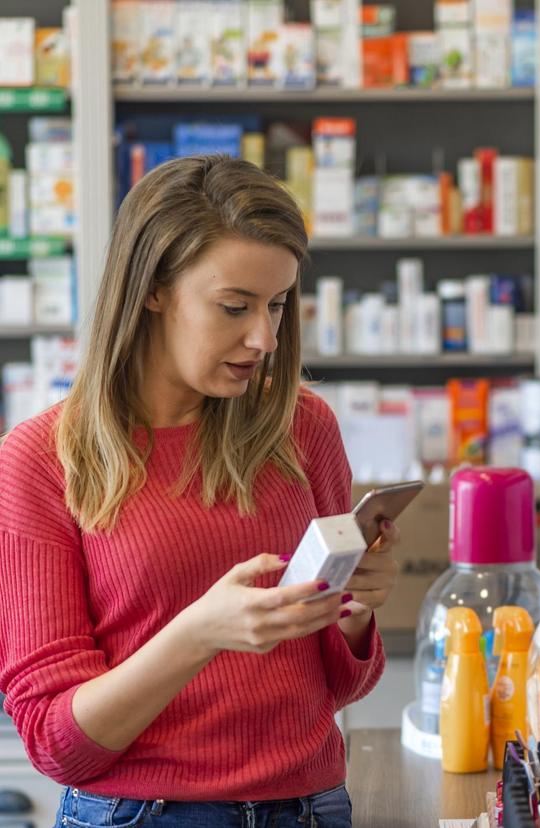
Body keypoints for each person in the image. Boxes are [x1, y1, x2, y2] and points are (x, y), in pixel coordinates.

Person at [0, 155, 399, 827]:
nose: (264, 338)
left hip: (311, 807)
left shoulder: (303, 427)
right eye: (234, 307)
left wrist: (355, 610)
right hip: (142, 814)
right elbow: (55, 743)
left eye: (277, 305)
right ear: (152, 289)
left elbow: (339, 686)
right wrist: (198, 635)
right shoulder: (41, 459)